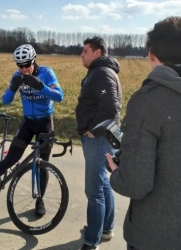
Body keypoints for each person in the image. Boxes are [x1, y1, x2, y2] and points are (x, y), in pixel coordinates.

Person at [106, 16, 181, 250]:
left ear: (151, 53)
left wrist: (116, 172)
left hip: (152, 235)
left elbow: (135, 183)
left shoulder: (147, 101)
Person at [0, 44, 64, 216]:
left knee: (43, 164)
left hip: (45, 122)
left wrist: (41, 86)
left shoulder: (47, 73)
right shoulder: (17, 76)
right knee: (11, 158)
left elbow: (59, 96)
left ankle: (40, 199)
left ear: (34, 61)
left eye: (27, 65)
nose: (24, 69)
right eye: (20, 66)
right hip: (28, 122)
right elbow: (5, 101)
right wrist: (13, 87)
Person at [75, 36, 122, 250]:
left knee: (93, 191)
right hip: (100, 138)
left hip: (98, 139)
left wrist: (92, 130)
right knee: (103, 184)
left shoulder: (102, 73)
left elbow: (111, 108)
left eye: (85, 50)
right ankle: (105, 229)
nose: (81, 54)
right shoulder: (99, 71)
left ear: (97, 52)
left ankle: (91, 241)